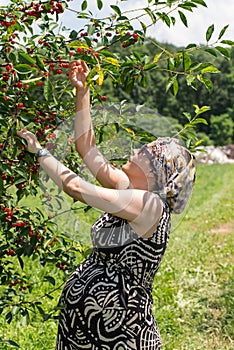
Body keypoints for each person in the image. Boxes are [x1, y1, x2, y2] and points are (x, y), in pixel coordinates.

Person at [17, 60, 196, 350]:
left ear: (155, 173)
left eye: (145, 152)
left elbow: (76, 187)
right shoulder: (128, 189)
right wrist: (83, 90)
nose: (136, 149)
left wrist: (40, 153)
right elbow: (86, 148)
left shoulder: (149, 206)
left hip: (122, 334)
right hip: (87, 331)